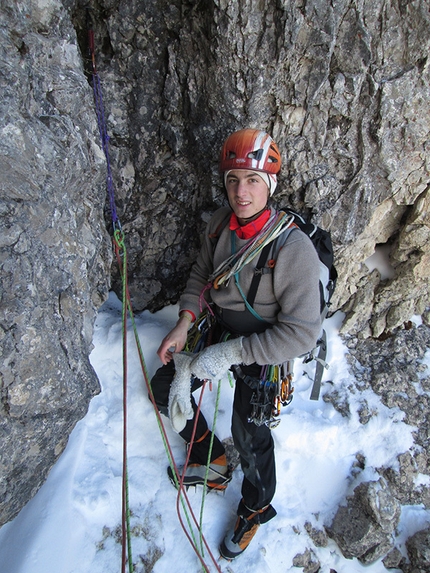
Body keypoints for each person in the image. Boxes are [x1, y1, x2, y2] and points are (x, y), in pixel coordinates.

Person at [150, 128, 321, 560]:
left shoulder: (292, 248)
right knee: (165, 386)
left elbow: (302, 332)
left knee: (250, 432)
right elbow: (200, 275)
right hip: (219, 326)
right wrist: (184, 323)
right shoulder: (219, 226)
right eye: (232, 180)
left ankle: (255, 504)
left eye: (252, 180)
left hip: (265, 345)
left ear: (270, 186)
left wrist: (230, 355)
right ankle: (211, 459)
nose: (240, 192)